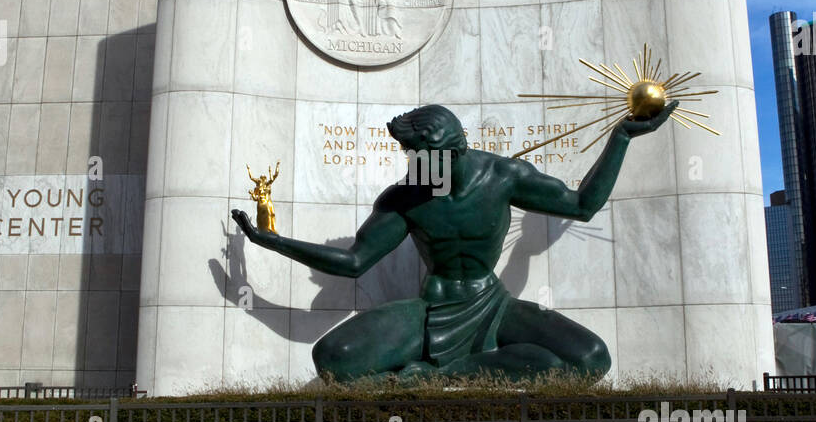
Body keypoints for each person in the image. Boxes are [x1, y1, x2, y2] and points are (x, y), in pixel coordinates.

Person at [232, 102, 675, 382]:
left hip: (493, 305)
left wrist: (621, 138)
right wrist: (272, 240)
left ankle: (444, 372)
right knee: (333, 357)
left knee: (592, 358)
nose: (415, 167)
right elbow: (353, 262)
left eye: (422, 159)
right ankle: (487, 367)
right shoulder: (405, 197)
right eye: (411, 159)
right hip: (430, 311)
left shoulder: (504, 177)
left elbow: (581, 205)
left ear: (454, 151)